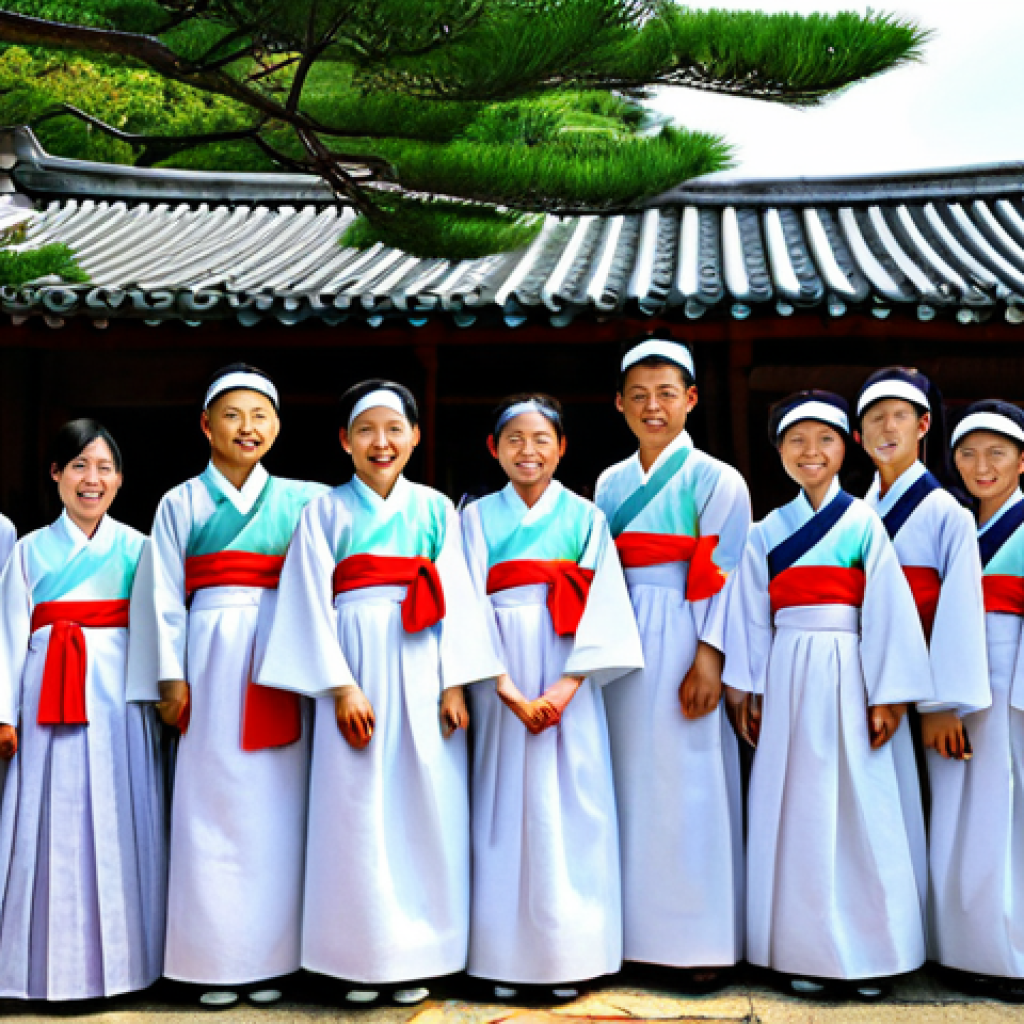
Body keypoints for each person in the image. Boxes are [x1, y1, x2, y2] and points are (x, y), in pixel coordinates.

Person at [257, 380, 503, 1006]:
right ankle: (358, 959)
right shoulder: (324, 513)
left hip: (423, 667)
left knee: (425, 807)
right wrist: (341, 687)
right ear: (345, 440)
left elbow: (460, 598)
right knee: (355, 811)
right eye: (366, 430)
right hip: (354, 665)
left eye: (395, 429)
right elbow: (307, 600)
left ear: (415, 437)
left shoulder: (436, 510)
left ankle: (419, 955)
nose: (381, 442)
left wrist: (455, 684)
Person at [722, 390, 933, 1000]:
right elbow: (751, 615)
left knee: (863, 809)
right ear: (779, 452)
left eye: (824, 440)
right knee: (800, 814)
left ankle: (874, 955)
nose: (809, 451)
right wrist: (748, 689)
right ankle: (805, 951)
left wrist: (887, 695)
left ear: (845, 449)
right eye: (796, 441)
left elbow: (886, 609)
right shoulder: (765, 532)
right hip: (787, 671)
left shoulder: (864, 522)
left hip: (851, 671)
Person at [127, 364, 327, 1009]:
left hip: (279, 657)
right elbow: (162, 597)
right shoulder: (180, 502)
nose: (248, 427)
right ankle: (215, 963)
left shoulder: (306, 501)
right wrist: (171, 678)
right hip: (209, 660)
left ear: (277, 426)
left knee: (279, 810)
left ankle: (273, 961)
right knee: (208, 810)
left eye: (260, 416)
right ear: (206, 425)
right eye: (233, 415)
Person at [462, 394, 643, 1002]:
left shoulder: (588, 518)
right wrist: (505, 689)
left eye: (541, 439)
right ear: (494, 448)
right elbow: (464, 605)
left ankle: (571, 955)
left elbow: (606, 606)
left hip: (569, 673)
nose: (528, 451)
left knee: (574, 807)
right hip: (501, 680)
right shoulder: (474, 519)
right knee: (502, 809)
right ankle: (503, 958)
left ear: (562, 448)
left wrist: (566, 688)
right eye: (514, 439)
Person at [594, 334, 750, 986]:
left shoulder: (718, 478)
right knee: (627, 782)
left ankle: (697, 946)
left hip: (687, 629)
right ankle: (629, 938)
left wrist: (710, 657)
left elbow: (727, 573)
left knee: (690, 786)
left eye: (665, 394)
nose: (652, 407)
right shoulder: (609, 482)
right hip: (623, 636)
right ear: (620, 405)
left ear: (690, 399)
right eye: (638, 396)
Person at [0, 420, 165, 1001]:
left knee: (120, 817)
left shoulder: (140, 548)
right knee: (47, 825)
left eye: (103, 468)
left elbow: (156, 631)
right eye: (78, 466)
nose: (91, 479)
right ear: (56, 474)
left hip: (117, 700)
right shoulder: (28, 550)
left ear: (119, 480)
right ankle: (36, 971)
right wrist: (4, 713)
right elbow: (8, 634)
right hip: (44, 695)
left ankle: (128, 969)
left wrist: (157, 703)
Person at [932, 400, 1024, 998]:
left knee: (1008, 818)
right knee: (959, 814)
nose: (981, 466)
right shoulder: (959, 526)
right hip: (958, 684)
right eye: (968, 454)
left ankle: (1012, 955)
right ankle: (962, 946)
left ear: (1022, 461)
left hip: (1013, 684)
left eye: (997, 453)